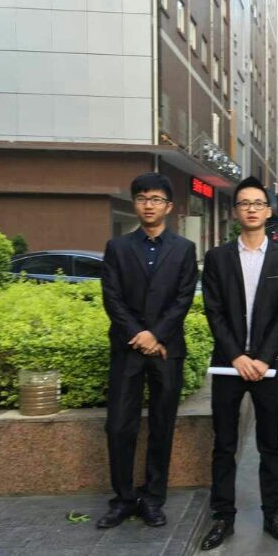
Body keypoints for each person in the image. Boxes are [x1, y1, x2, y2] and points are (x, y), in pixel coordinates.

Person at [198, 177, 278, 551]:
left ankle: (274, 514)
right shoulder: (217, 258)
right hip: (229, 365)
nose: (252, 209)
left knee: (270, 444)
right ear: (235, 211)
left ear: (269, 211)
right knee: (224, 444)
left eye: (258, 203)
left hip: (268, 367)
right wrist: (237, 356)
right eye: (245, 203)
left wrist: (261, 358)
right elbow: (214, 311)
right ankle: (223, 517)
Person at [98, 173, 198, 529]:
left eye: (156, 199)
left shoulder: (184, 249)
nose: (148, 205)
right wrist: (138, 334)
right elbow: (111, 296)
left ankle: (154, 498)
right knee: (118, 426)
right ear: (135, 204)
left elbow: (183, 298)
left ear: (168, 207)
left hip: (166, 350)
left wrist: (156, 335)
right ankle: (123, 498)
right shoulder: (118, 247)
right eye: (142, 198)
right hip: (127, 348)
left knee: (161, 425)